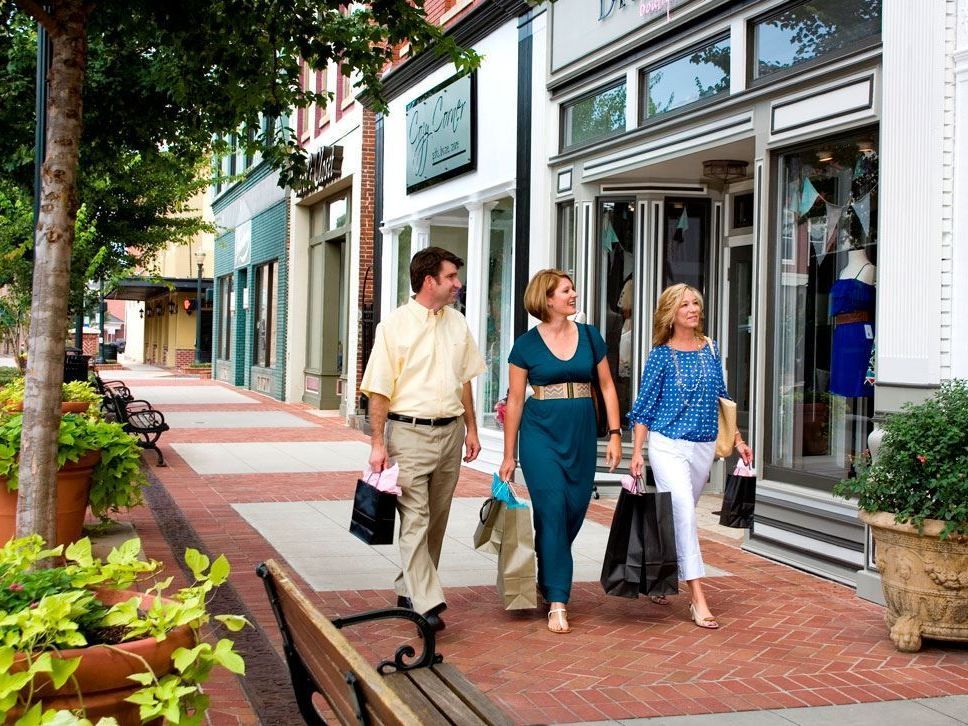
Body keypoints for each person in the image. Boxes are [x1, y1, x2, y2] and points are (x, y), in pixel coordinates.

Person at [360, 246, 485, 632]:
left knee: (436, 521)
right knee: (414, 518)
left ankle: (408, 585)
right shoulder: (392, 327)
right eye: (451, 277)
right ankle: (426, 603)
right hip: (409, 434)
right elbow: (378, 390)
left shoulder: (457, 324)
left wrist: (473, 429)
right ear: (429, 280)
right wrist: (377, 444)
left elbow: (464, 379)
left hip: (450, 433)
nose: (457, 284)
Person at [499, 269, 622, 634]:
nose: (574, 294)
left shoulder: (590, 336)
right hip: (540, 434)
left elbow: (607, 386)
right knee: (552, 508)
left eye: (572, 289)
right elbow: (516, 401)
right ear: (547, 299)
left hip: (581, 431)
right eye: (566, 290)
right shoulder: (525, 346)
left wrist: (615, 434)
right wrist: (510, 455)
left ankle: (547, 563)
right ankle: (557, 599)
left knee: (573, 508)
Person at [628, 283, 753, 629]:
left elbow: (722, 398)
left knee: (675, 516)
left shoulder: (709, 349)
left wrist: (738, 440)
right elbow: (643, 409)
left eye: (696, 302)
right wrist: (637, 452)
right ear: (671, 313)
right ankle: (698, 597)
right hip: (667, 444)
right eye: (685, 304)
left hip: (703, 447)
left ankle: (656, 578)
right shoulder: (661, 356)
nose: (693, 309)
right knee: (684, 513)